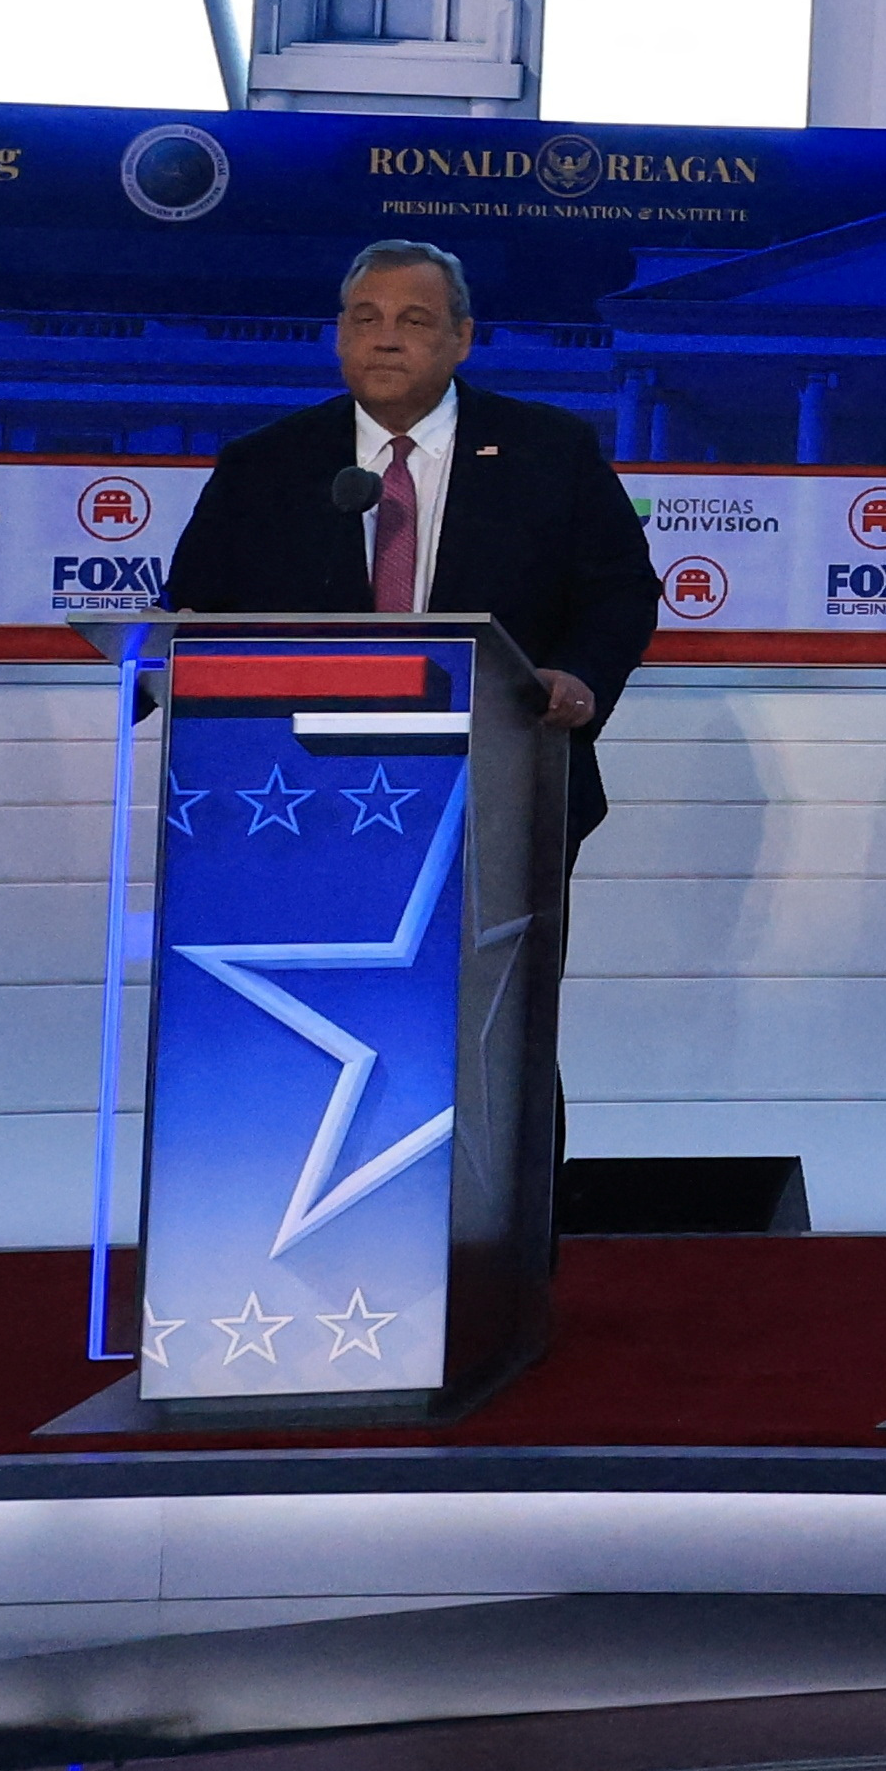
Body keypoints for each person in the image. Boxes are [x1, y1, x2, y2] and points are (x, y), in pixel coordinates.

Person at [163, 239, 667, 1244]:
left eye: (414, 318)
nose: (386, 335)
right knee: (319, 1016)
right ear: (338, 334)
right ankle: (299, 1224)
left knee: (497, 1022)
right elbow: (194, 613)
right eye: (365, 316)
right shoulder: (264, 464)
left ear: (463, 338)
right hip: (300, 803)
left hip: (503, 788)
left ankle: (502, 1249)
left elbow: (619, 595)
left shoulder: (548, 451)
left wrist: (579, 679)